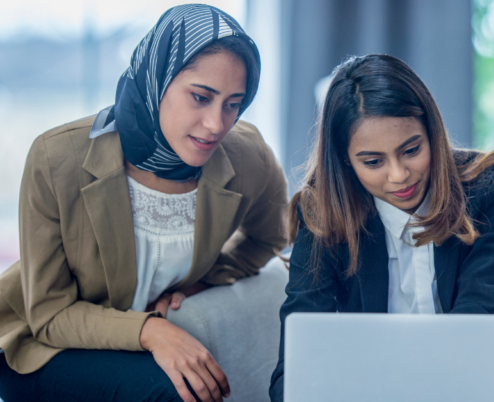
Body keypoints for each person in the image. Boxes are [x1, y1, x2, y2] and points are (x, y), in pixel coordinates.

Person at [0, 5, 288, 402]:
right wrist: (151, 330)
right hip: (44, 346)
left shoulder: (247, 156)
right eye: (201, 97)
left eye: (233, 103)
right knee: (178, 391)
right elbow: (50, 314)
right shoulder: (57, 158)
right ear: (158, 79)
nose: (216, 124)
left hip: (144, 341)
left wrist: (203, 281)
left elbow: (268, 238)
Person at [268, 54, 494, 401]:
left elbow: (476, 326)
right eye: (373, 162)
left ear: (432, 133)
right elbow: (292, 374)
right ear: (345, 161)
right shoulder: (323, 213)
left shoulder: (492, 185)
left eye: (411, 150)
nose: (399, 176)